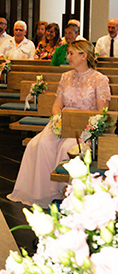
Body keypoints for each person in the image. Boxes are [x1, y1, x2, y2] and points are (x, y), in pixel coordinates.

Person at [7, 40, 111, 207]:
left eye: (71, 53)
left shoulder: (99, 79)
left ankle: (62, 193)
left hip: (85, 127)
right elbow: (57, 104)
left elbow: (101, 112)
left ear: (83, 55)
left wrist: (88, 127)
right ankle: (40, 193)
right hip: (62, 122)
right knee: (39, 145)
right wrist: (57, 118)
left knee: (66, 149)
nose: (67, 56)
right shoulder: (66, 77)